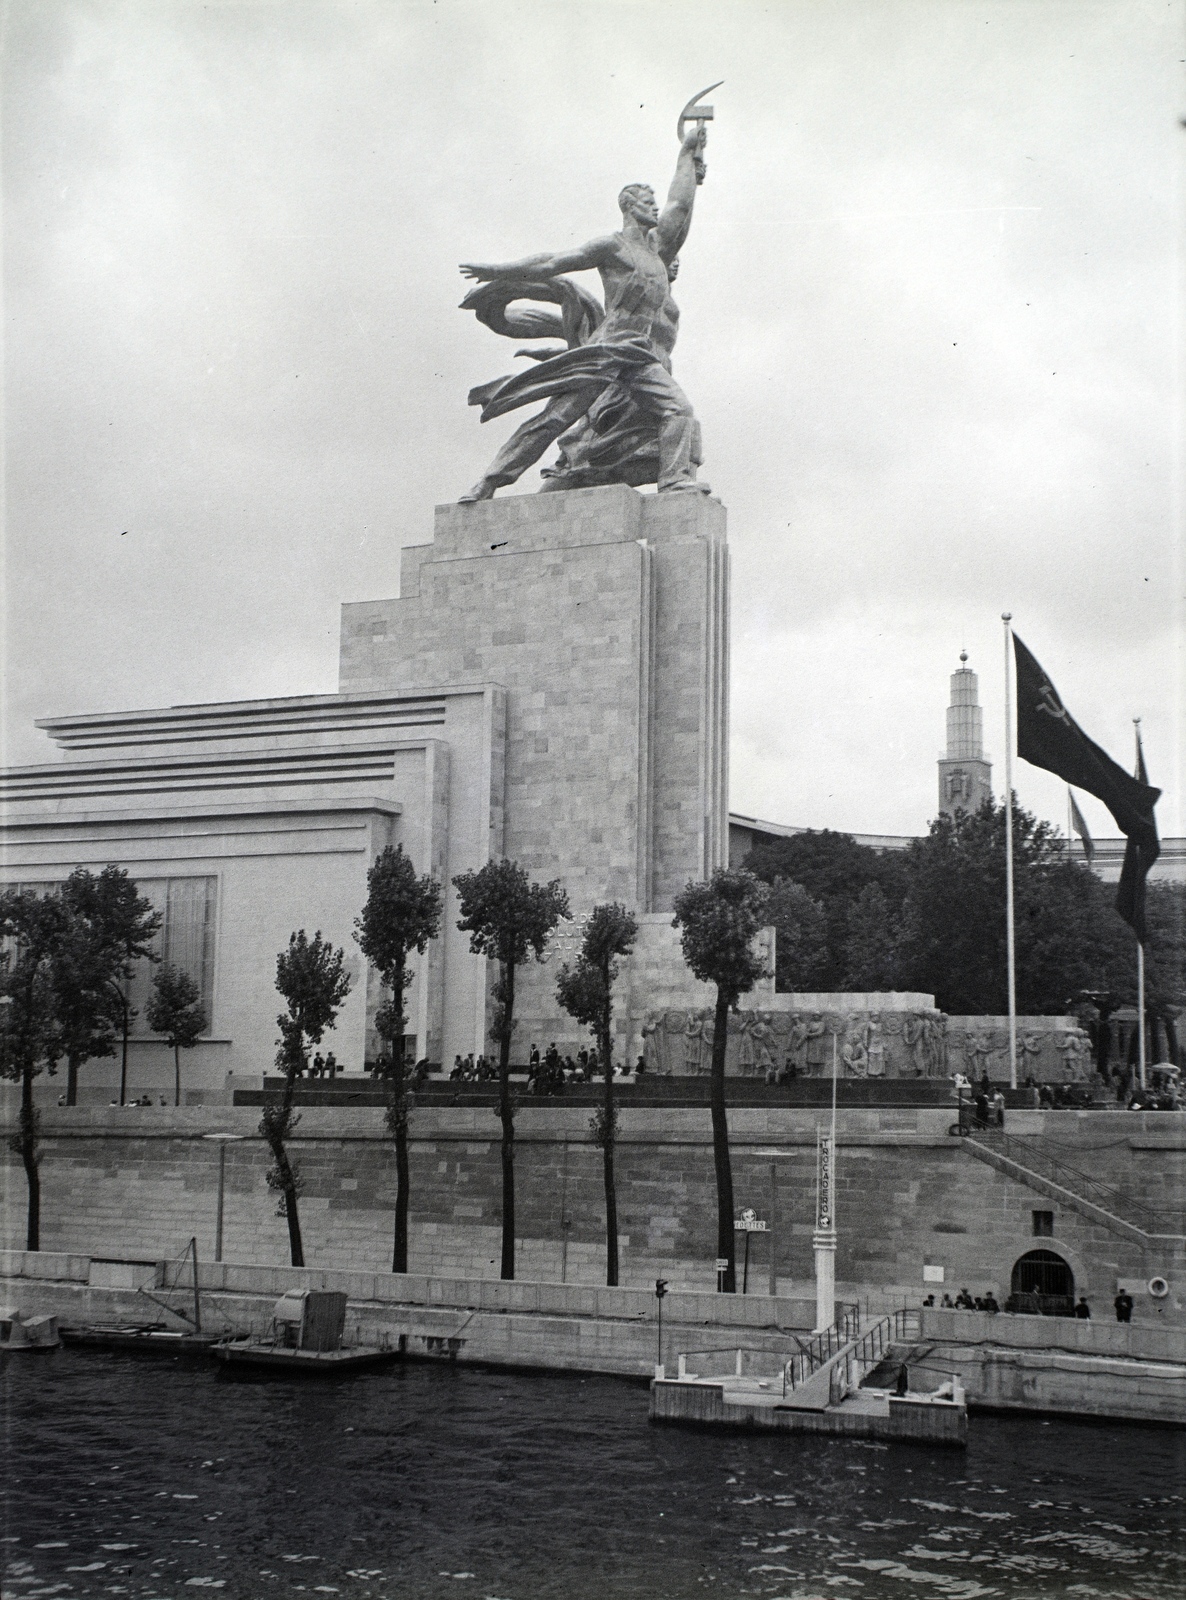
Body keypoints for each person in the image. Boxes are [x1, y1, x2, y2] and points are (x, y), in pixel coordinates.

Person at [458, 123, 711, 502]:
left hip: (640, 358)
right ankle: (489, 482)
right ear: (629, 206)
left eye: (655, 201)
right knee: (554, 419)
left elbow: (681, 204)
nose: (656, 207)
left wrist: (687, 155)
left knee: (680, 411)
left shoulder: (656, 251)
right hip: (608, 349)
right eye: (647, 201)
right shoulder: (612, 246)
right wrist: (501, 271)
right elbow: (554, 262)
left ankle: (674, 480)